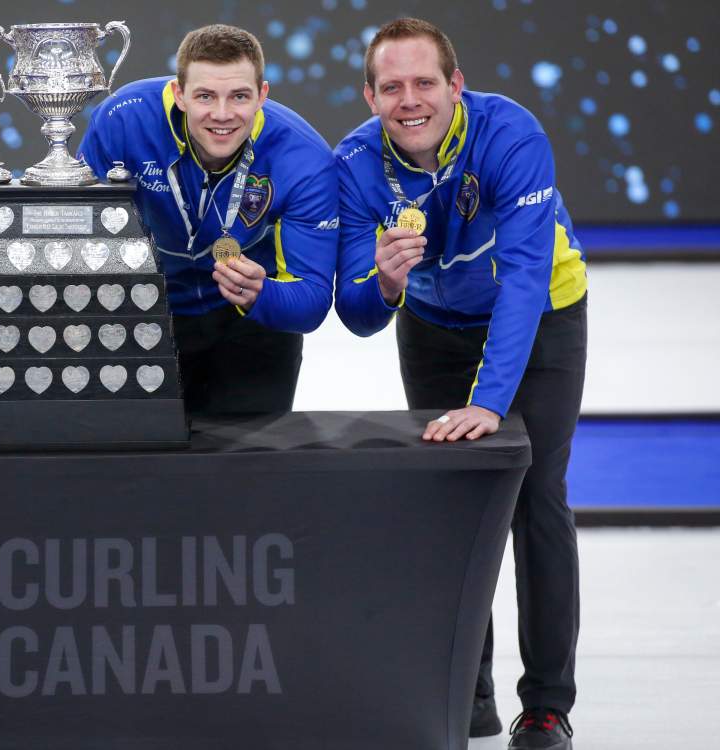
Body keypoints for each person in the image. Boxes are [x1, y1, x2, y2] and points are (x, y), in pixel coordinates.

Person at [334, 17, 587, 750]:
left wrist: (487, 402)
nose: (409, 100)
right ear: (370, 94)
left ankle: (545, 705)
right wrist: (382, 282)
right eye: (391, 86)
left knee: (534, 494)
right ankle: (464, 689)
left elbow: (525, 282)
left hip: (541, 316)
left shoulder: (511, 136)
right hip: (435, 324)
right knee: (450, 503)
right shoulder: (352, 161)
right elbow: (353, 318)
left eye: (424, 82)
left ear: (456, 86)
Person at [79, 24, 388, 414]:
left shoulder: (304, 159)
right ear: (179, 94)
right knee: (141, 467)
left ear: (262, 95)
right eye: (205, 96)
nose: (222, 115)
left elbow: (310, 304)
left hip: (252, 325)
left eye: (239, 96)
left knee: (249, 471)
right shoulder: (123, 120)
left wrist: (262, 293)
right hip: (144, 315)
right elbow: (81, 241)